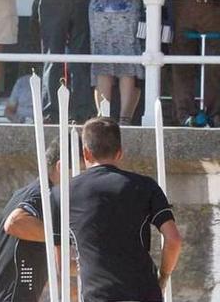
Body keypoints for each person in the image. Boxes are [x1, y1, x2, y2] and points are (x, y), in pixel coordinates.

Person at [51, 117, 182, 302]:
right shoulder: (145, 186)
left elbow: (62, 263)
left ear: (86, 153)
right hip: (143, 293)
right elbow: (173, 239)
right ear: (119, 153)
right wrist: (164, 276)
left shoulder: (61, 195)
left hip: (98, 295)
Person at [0, 139, 60, 302]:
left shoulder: (24, 193)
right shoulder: (44, 194)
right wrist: (65, 235)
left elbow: (51, 263)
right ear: (61, 167)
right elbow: (15, 223)